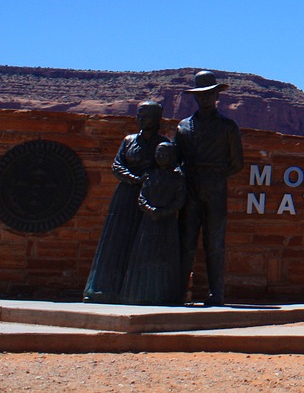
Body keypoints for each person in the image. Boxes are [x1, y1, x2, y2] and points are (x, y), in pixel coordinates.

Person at [83, 100, 167, 304]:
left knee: (142, 244)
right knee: (116, 240)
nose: (140, 119)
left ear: (156, 119)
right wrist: (134, 178)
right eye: (139, 115)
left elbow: (169, 168)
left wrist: (151, 182)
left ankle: (137, 292)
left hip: (149, 198)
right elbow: (117, 165)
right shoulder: (129, 140)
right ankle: (103, 289)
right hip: (125, 197)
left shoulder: (163, 144)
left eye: (145, 115)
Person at [175, 70, 243, 306]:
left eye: (209, 94)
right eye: (200, 95)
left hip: (215, 189)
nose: (205, 99)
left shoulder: (228, 127)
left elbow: (237, 163)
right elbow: (177, 160)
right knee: (186, 241)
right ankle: (179, 291)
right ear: (195, 97)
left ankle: (216, 294)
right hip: (190, 189)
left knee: (215, 243)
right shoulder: (183, 127)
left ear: (216, 96)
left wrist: (214, 175)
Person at [120, 141, 186, 305]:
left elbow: (179, 200)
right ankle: (138, 292)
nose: (160, 157)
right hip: (148, 223)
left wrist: (164, 212)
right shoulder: (150, 175)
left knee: (165, 258)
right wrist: (150, 209)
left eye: (164, 154)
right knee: (143, 256)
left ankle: (164, 294)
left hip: (166, 224)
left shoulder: (177, 178)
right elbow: (142, 196)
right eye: (158, 153)